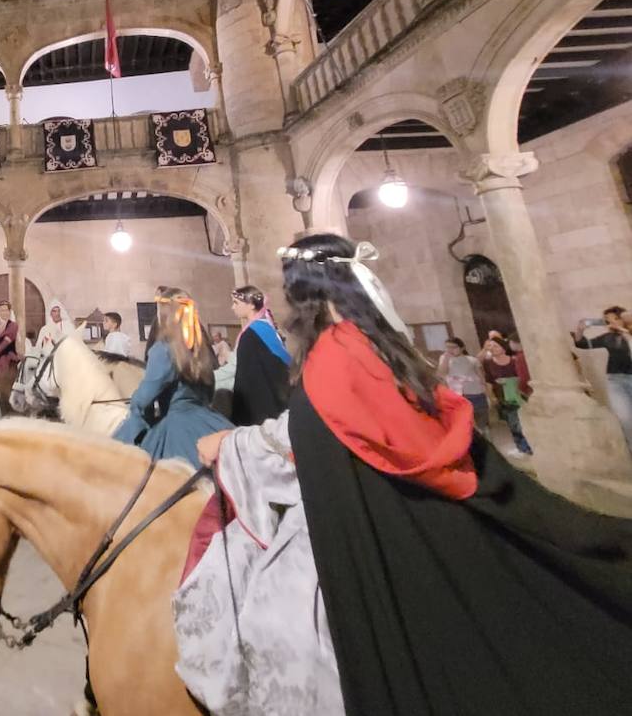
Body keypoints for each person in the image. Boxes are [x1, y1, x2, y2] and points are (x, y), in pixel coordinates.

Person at [181, 233, 632, 716]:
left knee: (272, 620)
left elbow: (322, 431)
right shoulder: (359, 341)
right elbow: (331, 426)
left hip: (376, 525)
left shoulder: (339, 352)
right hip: (369, 505)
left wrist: (234, 446)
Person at [112, 287, 232, 468]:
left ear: (165, 314)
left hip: (177, 427)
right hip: (209, 419)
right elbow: (209, 389)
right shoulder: (201, 349)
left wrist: (135, 413)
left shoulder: (163, 349)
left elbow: (146, 395)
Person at [229, 285, 291, 426]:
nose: (232, 308)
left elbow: (245, 378)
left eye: (236, 303)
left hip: (260, 410)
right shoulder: (265, 327)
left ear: (251, 305)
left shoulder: (253, 333)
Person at [575, 306, 632, 451]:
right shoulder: (608, 338)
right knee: (626, 419)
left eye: (614, 319)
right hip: (616, 381)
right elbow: (581, 344)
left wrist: (624, 331)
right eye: (606, 320)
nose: (610, 323)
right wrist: (580, 330)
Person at [480, 335, 532, 455]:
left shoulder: (514, 360)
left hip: (520, 394)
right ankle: (522, 447)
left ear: (503, 348)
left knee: (524, 421)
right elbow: (489, 381)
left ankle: (529, 445)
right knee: (513, 423)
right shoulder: (488, 363)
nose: (493, 348)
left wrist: (510, 380)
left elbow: (523, 376)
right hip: (503, 396)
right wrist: (491, 396)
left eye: (496, 346)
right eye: (491, 346)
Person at [439, 337, 489, 437]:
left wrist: (488, 394)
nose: (450, 350)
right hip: (458, 396)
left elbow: (482, 378)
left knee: (482, 423)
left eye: (453, 347)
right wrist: (446, 358)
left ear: (462, 348)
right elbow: (442, 373)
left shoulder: (472, 360)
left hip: (476, 394)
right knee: (466, 425)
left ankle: (486, 443)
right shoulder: (444, 359)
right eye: (447, 347)